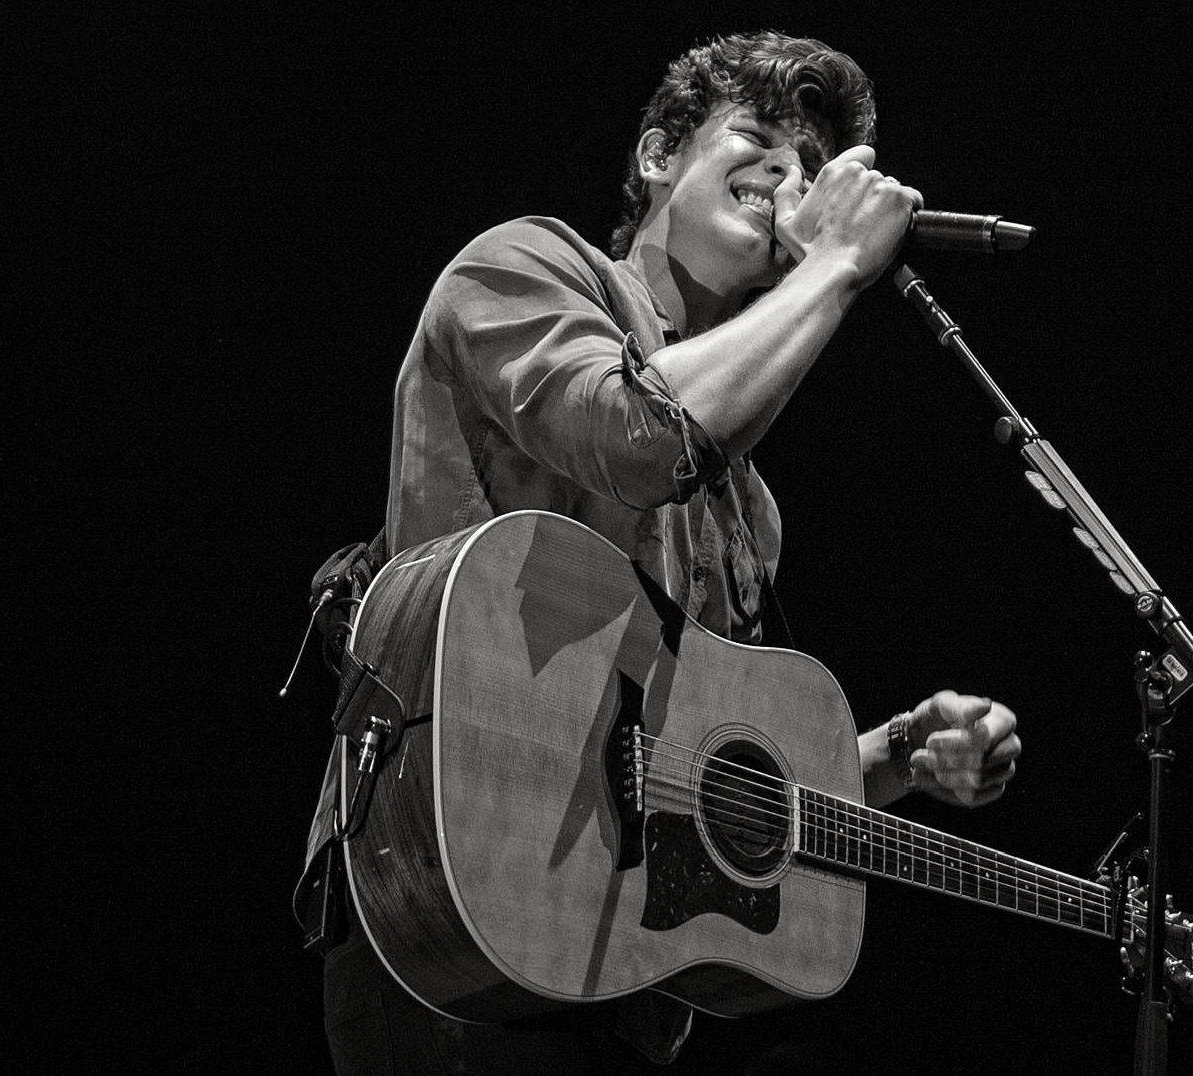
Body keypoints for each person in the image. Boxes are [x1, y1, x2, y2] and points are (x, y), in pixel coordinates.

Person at [300, 31, 1023, 1074]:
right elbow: (638, 433)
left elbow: (680, 779)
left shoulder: (750, 512)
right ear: (654, 158)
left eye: (812, 165)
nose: (788, 175)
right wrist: (830, 269)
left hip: (614, 969)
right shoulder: (524, 265)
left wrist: (895, 758)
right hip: (452, 911)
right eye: (756, 139)